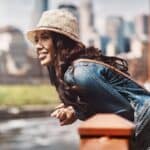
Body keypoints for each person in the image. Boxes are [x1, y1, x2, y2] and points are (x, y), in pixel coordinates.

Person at [27, 9, 150, 149]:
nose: (38, 46)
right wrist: (75, 109)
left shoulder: (79, 72)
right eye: (36, 40)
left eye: (44, 37)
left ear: (61, 41)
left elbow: (122, 113)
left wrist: (76, 110)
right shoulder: (74, 71)